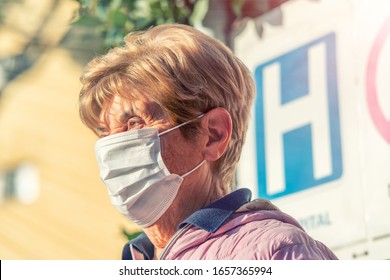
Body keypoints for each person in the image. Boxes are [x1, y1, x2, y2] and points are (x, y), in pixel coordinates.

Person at [78, 23, 338, 260]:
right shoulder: (137, 258)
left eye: (135, 123)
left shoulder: (278, 252)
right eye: (105, 131)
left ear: (213, 135)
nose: (113, 146)